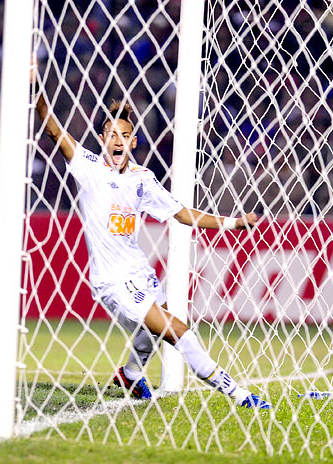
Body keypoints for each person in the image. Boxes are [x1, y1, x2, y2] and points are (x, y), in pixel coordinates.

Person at [32, 67, 270, 409]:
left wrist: (235, 222)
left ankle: (129, 375)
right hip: (112, 279)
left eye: (124, 135)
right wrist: (36, 87)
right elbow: (54, 129)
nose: (117, 140)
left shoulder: (143, 178)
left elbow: (182, 214)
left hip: (139, 269)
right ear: (102, 140)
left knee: (158, 328)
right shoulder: (88, 167)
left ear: (134, 141)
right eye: (110, 134)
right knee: (178, 330)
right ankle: (240, 395)